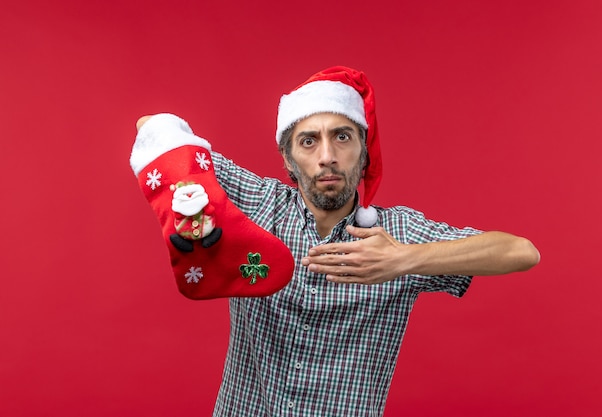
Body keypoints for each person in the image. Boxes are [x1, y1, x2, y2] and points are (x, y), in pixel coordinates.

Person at [134, 66, 540, 416]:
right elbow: (151, 126)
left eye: (342, 137)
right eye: (308, 141)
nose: (327, 155)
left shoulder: (394, 234)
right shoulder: (258, 203)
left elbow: (521, 251)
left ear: (363, 151)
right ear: (289, 159)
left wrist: (404, 260)